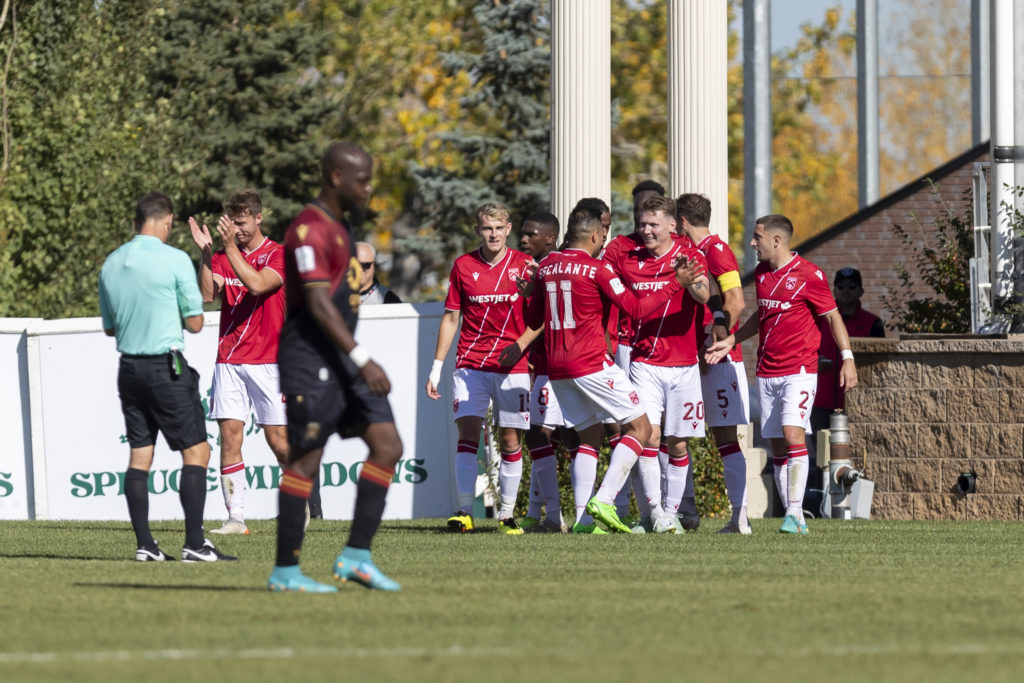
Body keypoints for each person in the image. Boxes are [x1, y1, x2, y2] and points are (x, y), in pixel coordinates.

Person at [500, 208, 702, 534]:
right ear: (595, 236)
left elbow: (535, 320)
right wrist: (674, 284)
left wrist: (529, 292)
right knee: (641, 429)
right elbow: (636, 310)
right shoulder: (597, 270)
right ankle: (605, 500)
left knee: (589, 437)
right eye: (602, 236)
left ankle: (583, 521)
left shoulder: (546, 267)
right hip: (591, 363)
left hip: (558, 369)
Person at [268, 142, 404, 593]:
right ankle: (286, 572)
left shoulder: (343, 227)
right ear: (334, 178)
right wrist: (362, 358)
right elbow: (317, 304)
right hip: (311, 362)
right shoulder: (308, 230)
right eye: (362, 180)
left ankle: (356, 557)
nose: (368, 188)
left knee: (387, 445)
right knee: (305, 462)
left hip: (342, 360)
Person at [99, 191, 236, 563]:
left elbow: (110, 329)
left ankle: (146, 546)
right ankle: (195, 543)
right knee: (197, 451)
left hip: (128, 369)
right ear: (168, 220)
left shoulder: (111, 263)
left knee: (140, 455)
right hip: (165, 366)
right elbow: (194, 323)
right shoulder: (174, 259)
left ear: (136, 221)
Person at [705, 214, 858, 535]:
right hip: (766, 370)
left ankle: (794, 514)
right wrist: (732, 339)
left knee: (793, 435)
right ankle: (794, 517)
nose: (751, 243)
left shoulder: (810, 275)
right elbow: (762, 315)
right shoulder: (762, 273)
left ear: (776, 240)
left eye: (756, 236)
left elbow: (832, 318)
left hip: (799, 370)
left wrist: (847, 358)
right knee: (776, 444)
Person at [425, 202, 532, 535]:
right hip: (470, 365)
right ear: (478, 231)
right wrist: (436, 366)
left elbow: (541, 316)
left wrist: (521, 346)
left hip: (511, 366)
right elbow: (451, 317)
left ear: (509, 229)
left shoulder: (525, 265)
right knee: (468, 433)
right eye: (488, 228)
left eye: (499, 228)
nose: (494, 234)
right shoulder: (463, 266)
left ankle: (506, 515)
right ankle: (463, 512)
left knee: (510, 439)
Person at [188, 191, 288, 535]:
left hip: (270, 362)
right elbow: (206, 294)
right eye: (232, 224)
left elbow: (259, 285)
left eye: (242, 224)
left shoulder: (278, 254)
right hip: (228, 360)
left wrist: (230, 248)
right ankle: (236, 518)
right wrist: (204, 254)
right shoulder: (221, 255)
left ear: (259, 219)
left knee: (279, 441)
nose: (237, 231)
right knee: (230, 438)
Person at [614, 195, 711, 534]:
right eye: (642, 224)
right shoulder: (629, 260)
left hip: (683, 364)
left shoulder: (689, 255)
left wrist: (688, 280)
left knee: (679, 442)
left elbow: (703, 294)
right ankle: (654, 512)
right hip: (644, 363)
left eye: (654, 224)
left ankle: (671, 512)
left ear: (672, 225)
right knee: (649, 437)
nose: (647, 230)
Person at [676, 193, 752, 534]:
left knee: (725, 437)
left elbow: (736, 299)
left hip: (716, 359)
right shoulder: (687, 254)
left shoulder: (716, 250)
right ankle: (682, 511)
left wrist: (717, 342)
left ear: (681, 222)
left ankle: (740, 517)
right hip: (689, 358)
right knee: (674, 433)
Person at [805, 266, 884, 514]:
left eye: (852, 287)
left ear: (860, 290)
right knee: (822, 456)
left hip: (857, 401)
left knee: (858, 452)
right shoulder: (821, 320)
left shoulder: (872, 323)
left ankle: (859, 506)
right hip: (823, 399)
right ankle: (822, 507)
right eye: (841, 286)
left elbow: (880, 363)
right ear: (834, 290)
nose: (846, 291)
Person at [517, 211, 567, 532]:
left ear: (550, 238)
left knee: (540, 435)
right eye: (522, 233)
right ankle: (538, 513)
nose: (523, 238)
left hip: (559, 366)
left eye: (530, 233)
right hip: (546, 366)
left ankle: (556, 516)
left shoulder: (554, 268)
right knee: (548, 439)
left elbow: (543, 321)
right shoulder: (538, 268)